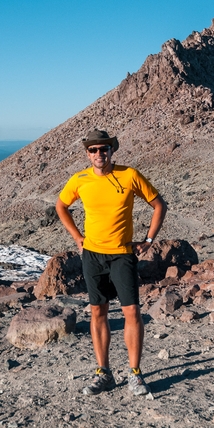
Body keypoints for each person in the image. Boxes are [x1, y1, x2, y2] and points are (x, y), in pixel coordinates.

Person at [55, 129, 167, 396]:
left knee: (131, 312)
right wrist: (77, 237)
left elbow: (159, 205)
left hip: (122, 255)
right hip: (92, 255)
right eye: (93, 150)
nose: (98, 154)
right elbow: (61, 206)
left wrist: (148, 241)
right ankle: (103, 373)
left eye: (103, 149)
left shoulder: (129, 175)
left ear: (111, 150)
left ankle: (135, 374)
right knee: (98, 312)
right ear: (87, 153)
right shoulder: (80, 179)